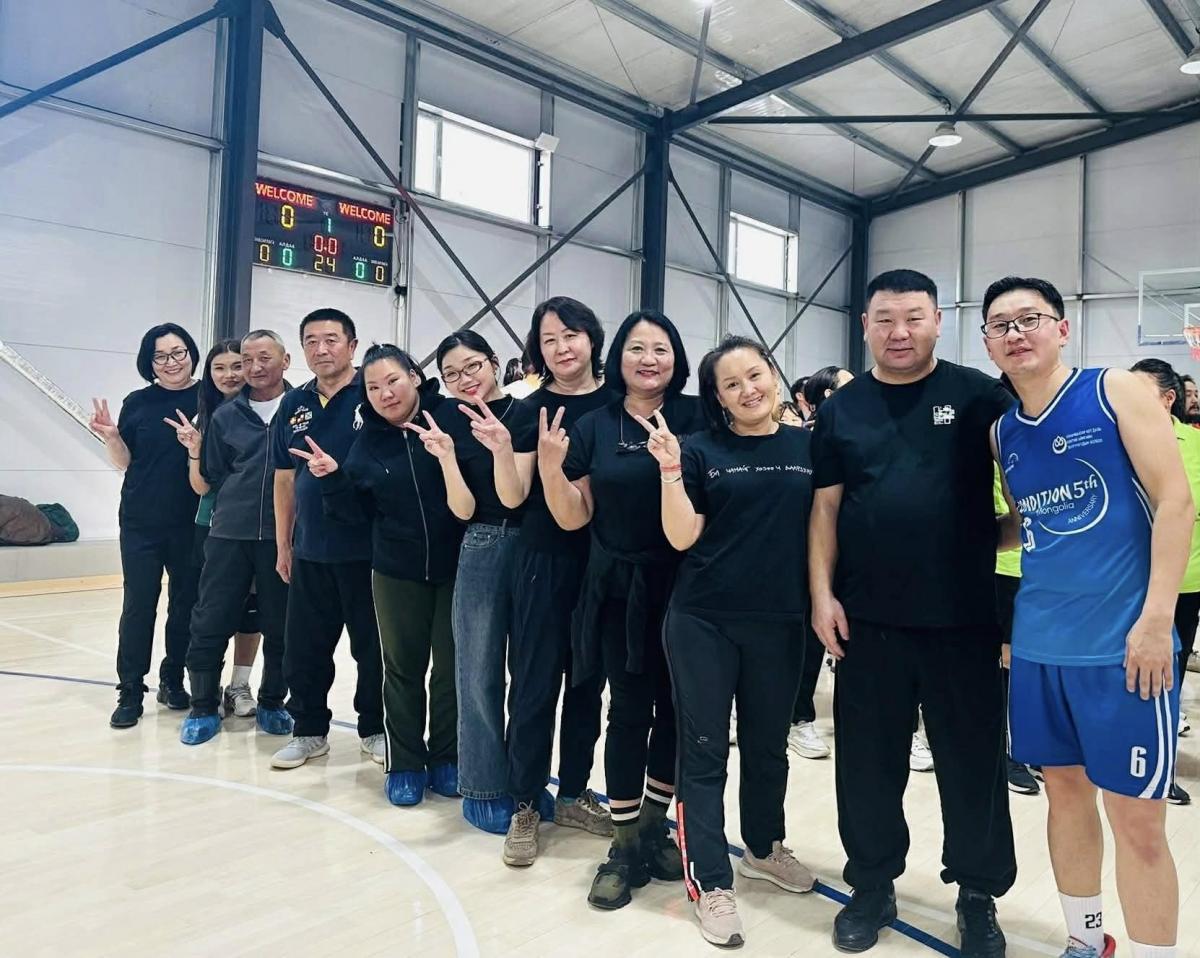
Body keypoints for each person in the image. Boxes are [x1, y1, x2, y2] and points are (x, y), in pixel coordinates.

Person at [810, 269, 1016, 956]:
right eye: (886, 319)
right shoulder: (841, 409)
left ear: (938, 321)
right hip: (868, 621)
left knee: (972, 764)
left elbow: (1023, 489)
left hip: (966, 620)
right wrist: (821, 594)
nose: (900, 332)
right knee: (867, 767)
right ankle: (872, 884)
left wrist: (997, 538)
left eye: (914, 318)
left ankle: (978, 895)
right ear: (865, 324)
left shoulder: (980, 396)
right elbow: (826, 509)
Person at [987, 276, 1192, 958]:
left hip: (1124, 649)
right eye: (1000, 325)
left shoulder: (1116, 391)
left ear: (1062, 328)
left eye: (1029, 319)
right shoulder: (1004, 432)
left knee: (1137, 823)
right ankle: (1086, 941)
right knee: (1065, 800)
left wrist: (1157, 620)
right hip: (1041, 646)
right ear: (988, 344)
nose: (1016, 333)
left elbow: (1174, 501)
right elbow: (1025, 525)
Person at [647, 335, 817, 948]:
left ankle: (764, 848)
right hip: (704, 621)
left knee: (769, 746)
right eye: (732, 384)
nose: (748, 390)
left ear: (773, 374)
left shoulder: (808, 447)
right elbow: (681, 535)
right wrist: (670, 471)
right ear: (717, 398)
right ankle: (710, 882)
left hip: (782, 620)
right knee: (704, 752)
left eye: (755, 375)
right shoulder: (698, 450)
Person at [541, 309, 700, 910]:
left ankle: (656, 829)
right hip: (618, 592)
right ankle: (624, 843)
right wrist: (551, 468)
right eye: (637, 348)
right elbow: (572, 515)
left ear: (677, 359)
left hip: (688, 589)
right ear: (618, 358)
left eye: (661, 348)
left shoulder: (697, 417)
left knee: (679, 713)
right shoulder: (596, 425)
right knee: (629, 711)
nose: (648, 359)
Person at [292, 344, 463, 806]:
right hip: (395, 571)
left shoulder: (450, 418)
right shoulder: (366, 441)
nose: (386, 393)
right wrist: (332, 479)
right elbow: (355, 514)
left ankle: (447, 756)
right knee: (401, 668)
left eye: (393, 381)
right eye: (373, 387)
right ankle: (405, 762)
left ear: (414, 376)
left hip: (456, 568)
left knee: (450, 668)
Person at [481, 297, 613, 867]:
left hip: (604, 563)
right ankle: (525, 803)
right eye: (549, 339)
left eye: (571, 335)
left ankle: (575, 792)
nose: (562, 347)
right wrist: (501, 451)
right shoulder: (528, 409)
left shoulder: (618, 403)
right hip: (542, 560)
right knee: (533, 684)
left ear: (592, 339)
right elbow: (512, 497)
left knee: (588, 685)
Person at [406, 330, 532, 833]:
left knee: (532, 675)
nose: (464, 379)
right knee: (476, 671)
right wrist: (446, 457)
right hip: (480, 543)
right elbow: (462, 509)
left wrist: (501, 448)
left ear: (494, 362)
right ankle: (481, 785)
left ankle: (525, 783)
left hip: (533, 546)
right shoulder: (449, 423)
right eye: (451, 374)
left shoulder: (524, 414)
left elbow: (516, 496)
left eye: (472, 366)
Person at [270, 309, 384, 770]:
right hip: (311, 549)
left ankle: (375, 729)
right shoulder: (293, 403)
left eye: (332, 339)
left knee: (373, 649)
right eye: (311, 341)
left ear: (352, 346)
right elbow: (283, 479)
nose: (321, 349)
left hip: (368, 550)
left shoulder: (373, 393)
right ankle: (309, 731)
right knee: (306, 649)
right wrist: (284, 544)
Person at [179, 330, 293, 745]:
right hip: (229, 533)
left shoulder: (303, 410)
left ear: (285, 360)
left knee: (281, 624)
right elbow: (213, 473)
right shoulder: (226, 416)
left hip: (284, 536)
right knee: (210, 619)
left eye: (265, 358)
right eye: (247, 360)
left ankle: (273, 702)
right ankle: (203, 706)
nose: (255, 367)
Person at [91, 323, 201, 728]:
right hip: (140, 522)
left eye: (178, 352)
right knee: (139, 605)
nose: (171, 362)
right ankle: (131, 689)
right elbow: (124, 461)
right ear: (149, 362)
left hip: (191, 522)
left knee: (185, 605)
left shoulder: (208, 398)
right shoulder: (137, 402)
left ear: (191, 353)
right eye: (161, 356)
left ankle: (173, 679)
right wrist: (111, 437)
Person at [165, 339, 262, 718]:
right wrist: (195, 449)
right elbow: (201, 486)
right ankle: (207, 690)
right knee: (212, 612)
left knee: (252, 610)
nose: (229, 375)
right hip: (213, 527)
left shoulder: (269, 412)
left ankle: (240, 685)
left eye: (237, 365)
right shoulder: (204, 417)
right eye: (219, 368)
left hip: (260, 527)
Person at [1130, 357, 1200, 806]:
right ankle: (1130, 759)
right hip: (1130, 579)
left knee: (1168, 676)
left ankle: (1163, 766)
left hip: (1185, 582)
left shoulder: (1192, 444)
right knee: (1131, 676)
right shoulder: (1118, 439)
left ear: (1168, 398)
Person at [788, 364, 853, 761]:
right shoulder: (804, 441)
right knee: (809, 639)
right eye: (847, 386)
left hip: (856, 554)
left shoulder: (859, 434)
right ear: (827, 396)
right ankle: (799, 718)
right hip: (809, 553)